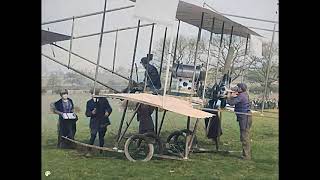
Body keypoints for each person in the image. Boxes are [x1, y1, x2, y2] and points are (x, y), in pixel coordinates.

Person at [227, 83, 252, 160]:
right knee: (245, 135)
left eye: (238, 87)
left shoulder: (241, 96)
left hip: (244, 117)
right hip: (246, 116)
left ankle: (246, 156)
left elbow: (231, 103)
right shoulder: (244, 94)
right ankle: (246, 154)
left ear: (241, 89)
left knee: (244, 136)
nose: (236, 88)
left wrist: (229, 96)